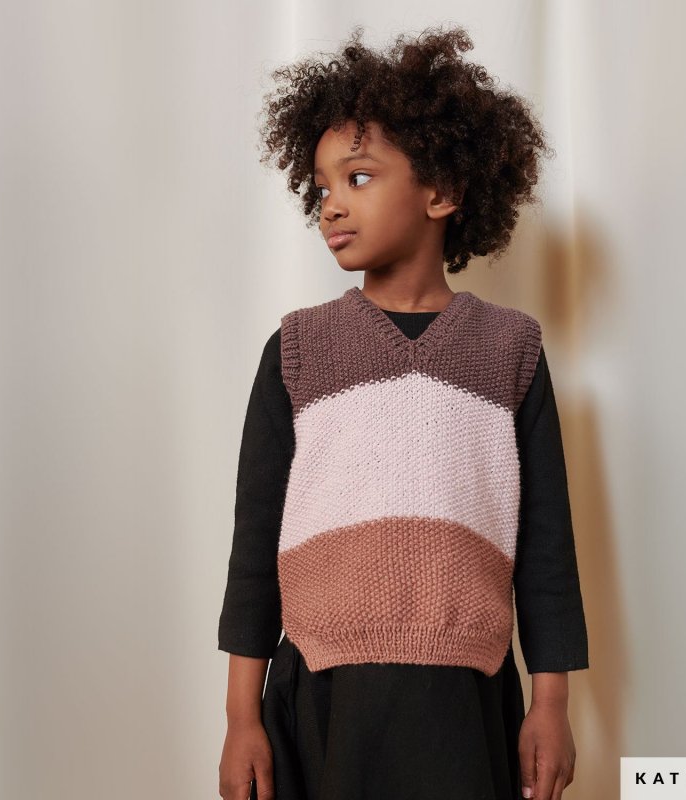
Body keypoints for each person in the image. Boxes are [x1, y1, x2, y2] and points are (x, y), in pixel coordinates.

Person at [217, 24, 589, 800]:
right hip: (321, 698)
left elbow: (546, 548)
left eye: (357, 178)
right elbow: (255, 548)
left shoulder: (510, 350)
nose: (331, 205)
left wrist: (551, 704)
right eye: (322, 186)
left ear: (441, 191)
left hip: (464, 702)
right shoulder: (297, 351)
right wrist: (240, 718)